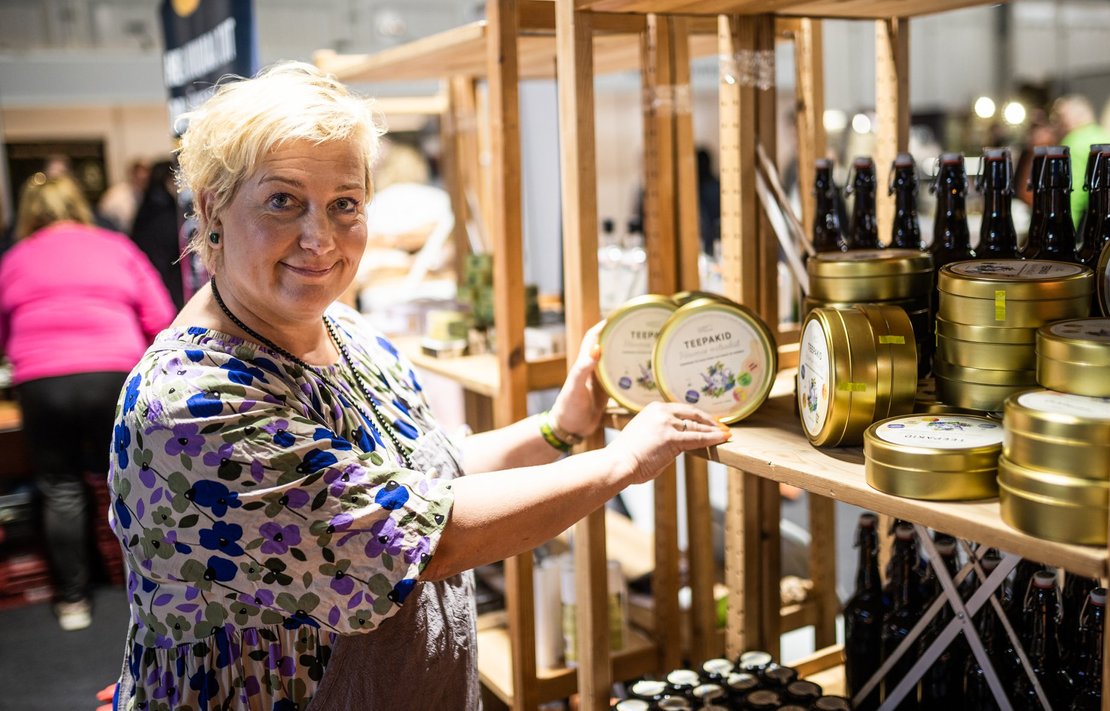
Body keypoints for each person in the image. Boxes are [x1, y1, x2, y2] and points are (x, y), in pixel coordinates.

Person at [108, 61, 729, 711]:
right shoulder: (192, 404)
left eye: (344, 204)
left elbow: (432, 471)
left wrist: (562, 427)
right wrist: (622, 462)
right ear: (212, 206)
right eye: (283, 200)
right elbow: (421, 536)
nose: (319, 239)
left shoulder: (342, 328)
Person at [0, 172, 175, 631]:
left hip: (42, 381)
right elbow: (160, 318)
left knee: (60, 486)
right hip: (113, 374)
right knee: (131, 480)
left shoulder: (15, 257)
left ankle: (74, 602)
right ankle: (151, 585)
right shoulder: (115, 246)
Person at [1050, 94, 1110, 226]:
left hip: (1085, 220)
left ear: (1077, 116)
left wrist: (1066, 228)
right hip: (1109, 215)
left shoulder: (1073, 141)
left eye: (1063, 118)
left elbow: (1073, 193)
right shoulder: (1106, 136)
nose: (1060, 124)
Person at [130, 159, 187, 310]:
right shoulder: (169, 214)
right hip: (169, 286)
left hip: (148, 283)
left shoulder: (145, 209)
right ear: (167, 181)